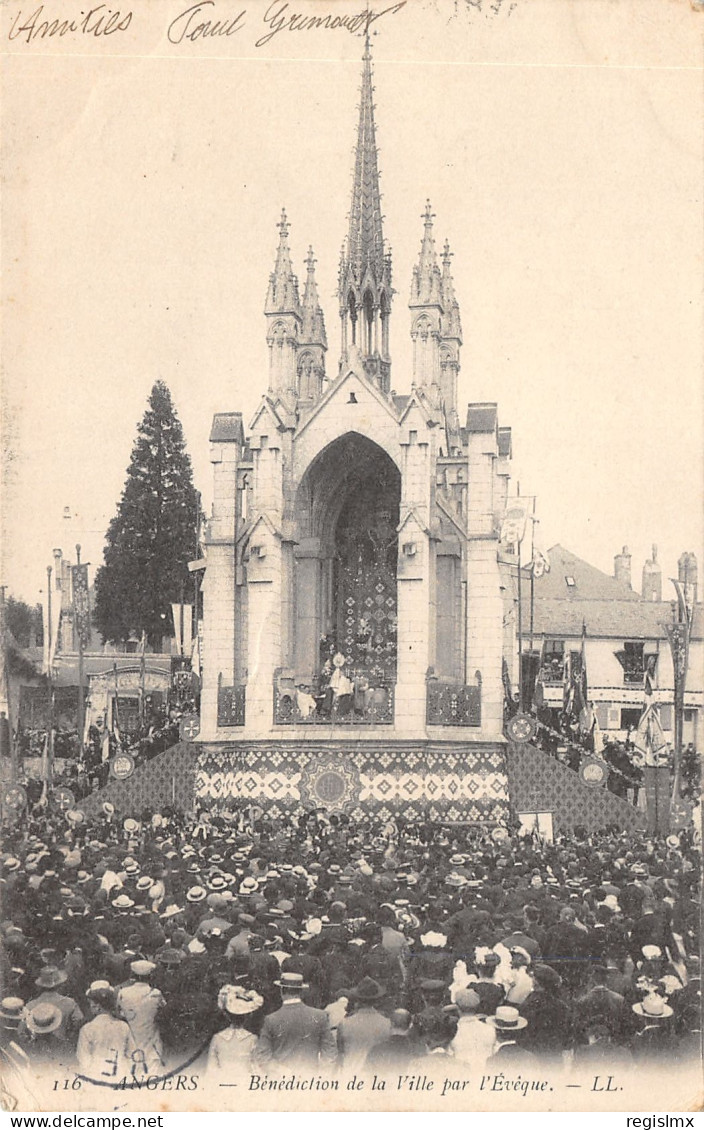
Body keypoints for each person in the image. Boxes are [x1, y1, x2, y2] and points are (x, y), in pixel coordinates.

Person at [255, 972, 337, 1070]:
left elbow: (263, 1057)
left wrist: (279, 1072)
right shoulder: (320, 1016)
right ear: (301, 992)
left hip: (280, 1081)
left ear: (281, 991)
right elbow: (330, 1053)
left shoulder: (271, 1020)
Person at [116, 960, 166, 1076]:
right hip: (151, 1042)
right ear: (150, 976)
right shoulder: (156, 994)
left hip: (130, 1042)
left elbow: (118, 1012)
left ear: (133, 975)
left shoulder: (123, 993)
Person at [76, 983, 134, 1082]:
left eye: (91, 1003)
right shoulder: (123, 1026)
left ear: (96, 1005)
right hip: (121, 1076)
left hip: (96, 1077)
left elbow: (84, 1061)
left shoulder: (87, 1029)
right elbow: (132, 1055)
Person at [205, 985, 263, 1082]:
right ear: (247, 1016)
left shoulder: (217, 1038)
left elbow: (211, 1070)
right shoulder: (252, 1038)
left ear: (227, 1016)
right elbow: (256, 1069)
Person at [336, 977, 391, 1071]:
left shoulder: (345, 1023)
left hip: (350, 1074)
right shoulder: (387, 1024)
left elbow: (340, 1053)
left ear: (358, 999)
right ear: (377, 1000)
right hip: (376, 1077)